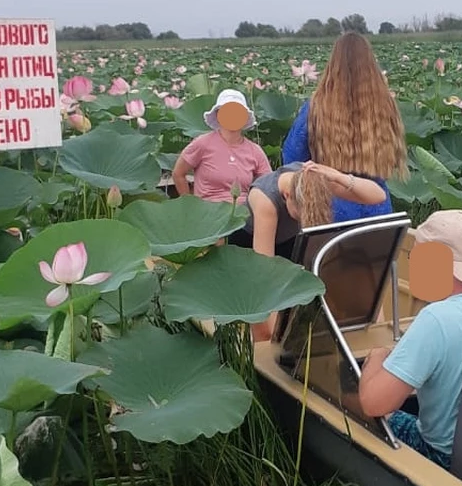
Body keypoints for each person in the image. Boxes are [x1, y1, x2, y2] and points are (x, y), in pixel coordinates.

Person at [357, 210, 462, 469]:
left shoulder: (436, 318)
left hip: (445, 457)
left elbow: (374, 404)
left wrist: (376, 358)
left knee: (364, 407)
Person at [229, 159, 387, 341]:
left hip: (291, 240)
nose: (303, 220)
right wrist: (275, 337)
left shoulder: (314, 180)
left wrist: (338, 177)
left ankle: (370, 336)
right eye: (299, 216)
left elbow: (378, 196)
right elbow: (264, 273)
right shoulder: (265, 199)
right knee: (262, 322)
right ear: (287, 195)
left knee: (357, 271)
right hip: (248, 246)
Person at [281, 32, 408, 222]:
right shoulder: (385, 104)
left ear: (333, 64)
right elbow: (394, 157)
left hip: (330, 204)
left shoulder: (317, 105)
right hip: (376, 201)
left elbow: (292, 158)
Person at [172, 89, 270, 203]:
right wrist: (189, 205)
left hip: (244, 212)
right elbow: (178, 173)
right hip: (209, 211)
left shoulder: (255, 151)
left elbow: (269, 184)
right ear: (218, 115)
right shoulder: (203, 143)